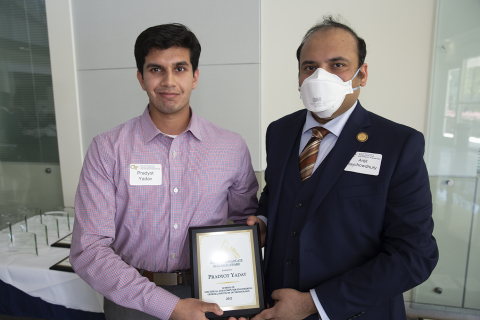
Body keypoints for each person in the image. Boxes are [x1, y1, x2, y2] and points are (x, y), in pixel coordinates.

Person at [248, 16, 439, 320]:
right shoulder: (280, 132)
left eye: (337, 65)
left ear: (362, 75)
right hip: (276, 307)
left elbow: (414, 255)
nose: (320, 77)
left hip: (355, 312)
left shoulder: (398, 144)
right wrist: (263, 221)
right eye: (310, 67)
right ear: (299, 76)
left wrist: (313, 303)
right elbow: (279, 192)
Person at [70, 23, 259, 320]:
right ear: (141, 78)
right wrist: (169, 306)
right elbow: (88, 250)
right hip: (130, 299)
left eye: (180, 68)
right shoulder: (107, 148)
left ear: (195, 76)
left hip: (212, 296)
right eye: (156, 69)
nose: (169, 81)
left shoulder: (231, 147)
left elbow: (242, 226)